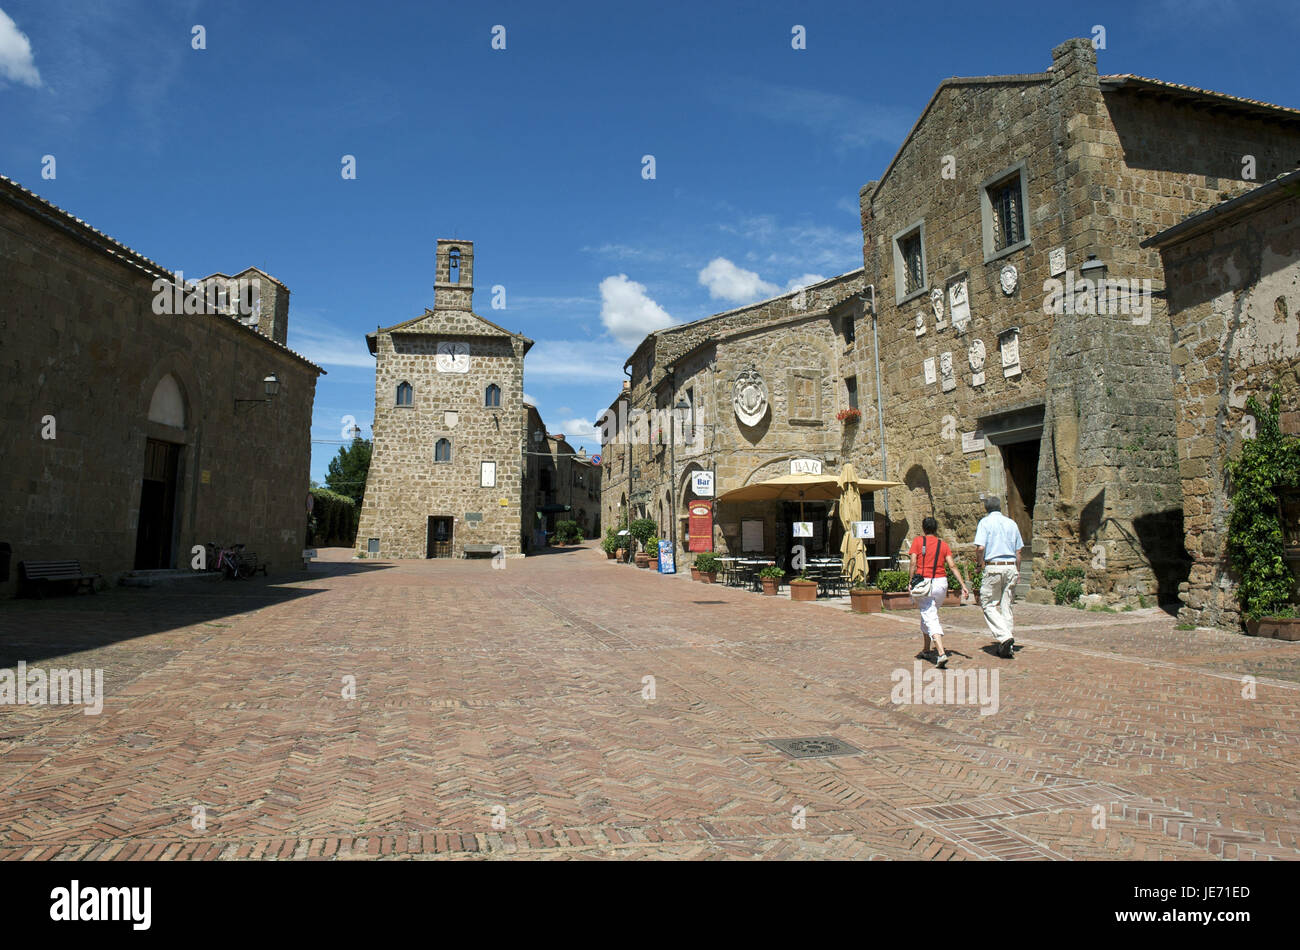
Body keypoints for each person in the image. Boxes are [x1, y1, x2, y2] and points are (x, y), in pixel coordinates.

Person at [907, 517, 969, 669]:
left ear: (923, 528)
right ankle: (927, 649)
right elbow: (952, 565)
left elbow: (913, 562)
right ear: (936, 529)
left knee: (930, 615)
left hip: (924, 583)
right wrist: (963, 585)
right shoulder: (943, 544)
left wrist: (910, 580)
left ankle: (941, 653)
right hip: (941, 583)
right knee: (929, 613)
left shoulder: (917, 542)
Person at [974, 496, 1024, 658]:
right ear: (1000, 507)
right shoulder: (1012, 523)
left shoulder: (985, 523)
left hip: (994, 567)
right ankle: (1007, 645)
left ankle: (1004, 637)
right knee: (1006, 605)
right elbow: (1018, 551)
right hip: (1010, 567)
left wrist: (979, 563)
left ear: (986, 508)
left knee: (988, 603)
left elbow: (981, 547)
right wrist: (1018, 571)